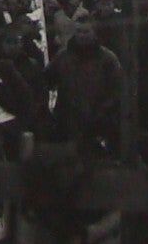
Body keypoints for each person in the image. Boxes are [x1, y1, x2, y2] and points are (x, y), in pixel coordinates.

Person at [45, 19, 125, 155]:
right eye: (79, 31)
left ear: (94, 33)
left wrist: (103, 111)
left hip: (97, 120)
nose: (82, 35)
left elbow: (117, 88)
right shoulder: (63, 56)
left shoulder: (108, 59)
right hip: (68, 119)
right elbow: (47, 79)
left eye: (86, 31)